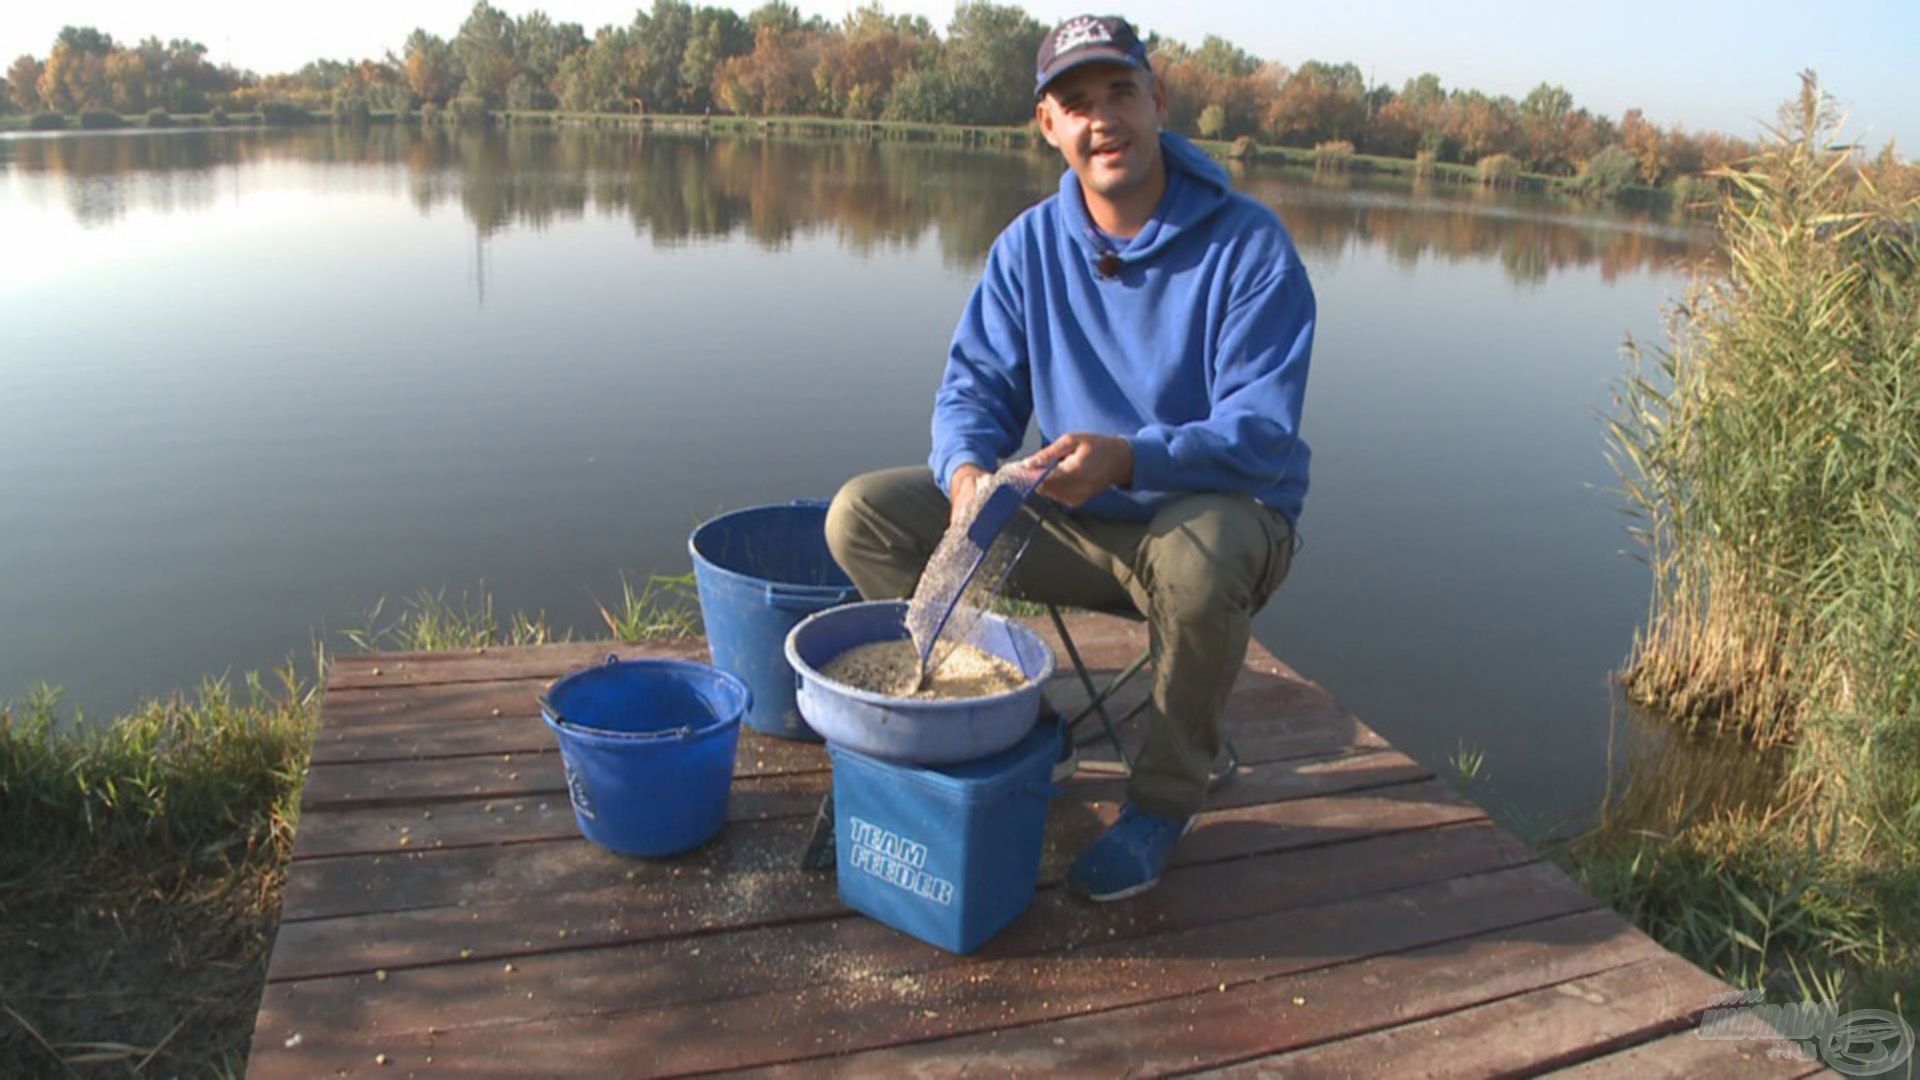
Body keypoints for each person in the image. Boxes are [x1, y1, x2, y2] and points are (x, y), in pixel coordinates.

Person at [825, 14, 1315, 902]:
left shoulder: (1250, 247)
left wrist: (1129, 458)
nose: (1104, 121)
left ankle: (1165, 800)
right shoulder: (1026, 249)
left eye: (1120, 93)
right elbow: (973, 391)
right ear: (1048, 126)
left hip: (1214, 519)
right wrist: (969, 474)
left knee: (1201, 557)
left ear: (1158, 99)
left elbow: (1262, 432)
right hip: (1070, 514)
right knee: (865, 513)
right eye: (1076, 103)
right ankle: (1026, 731)